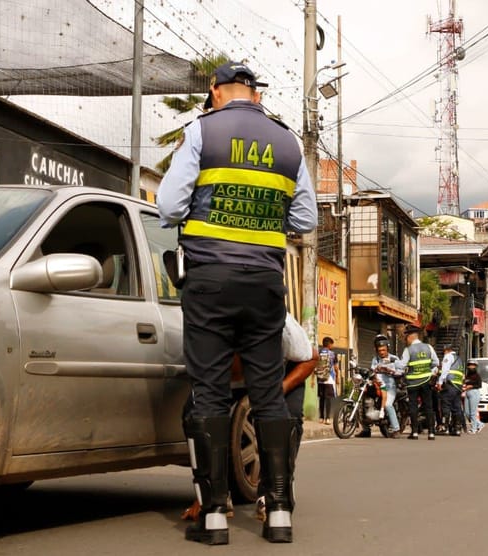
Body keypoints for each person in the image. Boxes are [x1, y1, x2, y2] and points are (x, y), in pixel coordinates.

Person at [157, 60, 317, 545]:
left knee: (209, 392)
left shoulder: (201, 132)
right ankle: (280, 513)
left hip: (209, 279)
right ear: (257, 95)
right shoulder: (287, 142)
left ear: (215, 91)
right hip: (265, 282)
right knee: (267, 393)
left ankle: (213, 518)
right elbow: (306, 219)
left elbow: (169, 207)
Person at [181, 314, 318, 524]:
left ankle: (273, 496)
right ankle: (217, 495)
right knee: (195, 415)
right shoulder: (208, 340)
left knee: (285, 419)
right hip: (227, 378)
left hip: (282, 374)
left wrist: (280, 390)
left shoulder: (281, 327)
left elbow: (311, 358)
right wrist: (205, 494)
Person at [397, 325, 440, 440]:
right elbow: (436, 362)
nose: (406, 340)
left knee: (413, 407)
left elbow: (402, 365)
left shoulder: (408, 350)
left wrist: (393, 362)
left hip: (413, 383)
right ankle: (431, 432)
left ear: (410, 337)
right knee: (428, 407)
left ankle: (415, 432)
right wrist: (428, 370)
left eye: (406, 337)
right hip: (426, 381)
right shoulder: (428, 347)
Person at [372, 334, 403, 438]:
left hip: (390, 386)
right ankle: (366, 428)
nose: (381, 352)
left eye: (383, 350)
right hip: (377, 386)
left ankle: (396, 429)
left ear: (387, 349)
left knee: (388, 405)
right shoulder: (375, 359)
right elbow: (372, 370)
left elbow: (401, 371)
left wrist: (391, 371)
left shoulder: (394, 358)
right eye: (379, 350)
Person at [437, 345, 466, 436]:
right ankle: (457, 428)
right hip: (458, 386)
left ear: (446, 350)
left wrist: (440, 382)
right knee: (456, 407)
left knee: (445, 406)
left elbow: (445, 370)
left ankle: (444, 427)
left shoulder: (448, 356)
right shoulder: (459, 359)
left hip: (450, 384)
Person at [317, 337, 339, 425]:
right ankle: (328, 418)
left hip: (320, 378)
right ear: (329, 344)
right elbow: (336, 367)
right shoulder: (333, 354)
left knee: (321, 398)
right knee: (328, 399)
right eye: (332, 344)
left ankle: (321, 417)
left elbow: (315, 365)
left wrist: (313, 379)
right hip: (329, 379)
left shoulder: (319, 353)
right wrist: (337, 377)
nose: (332, 346)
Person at [461, 360, 484, 434]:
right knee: (467, 412)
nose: (471, 366)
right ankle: (479, 424)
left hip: (474, 392)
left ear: (475, 366)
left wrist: (471, 386)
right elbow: (464, 383)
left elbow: (479, 385)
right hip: (467, 392)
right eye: (470, 365)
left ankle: (473, 429)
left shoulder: (477, 376)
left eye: (473, 365)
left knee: (473, 412)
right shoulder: (467, 375)